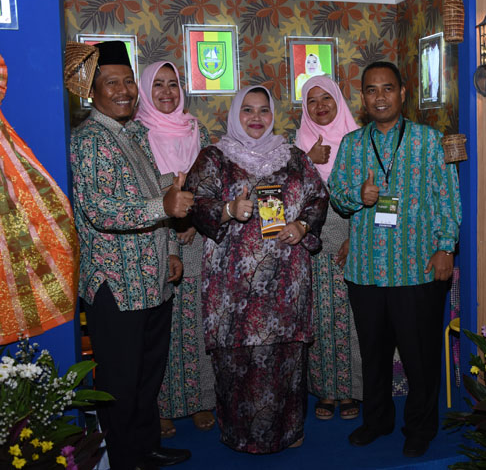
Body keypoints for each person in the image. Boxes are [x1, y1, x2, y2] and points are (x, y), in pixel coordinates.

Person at [327, 61, 462, 458]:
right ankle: (377, 420)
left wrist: (445, 247)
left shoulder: (428, 141)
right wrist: (359, 196)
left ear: (403, 93)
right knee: (373, 355)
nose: (380, 97)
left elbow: (447, 197)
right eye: (371, 90)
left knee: (420, 356)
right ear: (363, 97)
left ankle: (419, 427)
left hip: (416, 268)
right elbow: (337, 195)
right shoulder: (352, 144)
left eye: (388, 88)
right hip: (366, 270)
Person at [70, 41, 193, 470]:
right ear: (92, 91)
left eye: (127, 81)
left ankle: (146, 446)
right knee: (120, 379)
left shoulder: (136, 134)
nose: (123, 90)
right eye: (111, 83)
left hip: (153, 278)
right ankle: (124, 459)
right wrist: (163, 206)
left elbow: (160, 192)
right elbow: (99, 209)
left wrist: (172, 247)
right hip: (116, 284)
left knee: (148, 373)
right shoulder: (88, 140)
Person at [185, 85, 328, 453]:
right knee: (237, 360)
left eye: (264, 110)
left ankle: (288, 431)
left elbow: (317, 196)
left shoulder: (293, 157)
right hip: (233, 282)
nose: (256, 117)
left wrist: (303, 226)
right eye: (247, 109)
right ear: (235, 114)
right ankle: (241, 435)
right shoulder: (215, 157)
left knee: (286, 357)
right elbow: (195, 201)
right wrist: (228, 210)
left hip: (287, 278)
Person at [134, 61, 216, 438]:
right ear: (145, 90)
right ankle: (162, 405)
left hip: (195, 238)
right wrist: (172, 223)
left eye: (172, 84)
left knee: (197, 323)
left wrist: (194, 221)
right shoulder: (137, 134)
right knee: (160, 329)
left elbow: (208, 183)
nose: (166, 92)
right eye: (158, 85)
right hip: (155, 237)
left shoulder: (195, 128)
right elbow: (142, 192)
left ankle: (200, 400)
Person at [297, 75, 363, 421]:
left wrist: (357, 237)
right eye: (312, 100)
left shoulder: (359, 142)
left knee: (352, 318)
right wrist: (306, 161)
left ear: (339, 101)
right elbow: (283, 198)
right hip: (311, 247)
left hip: (352, 242)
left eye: (327, 98)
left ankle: (351, 389)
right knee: (319, 319)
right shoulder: (296, 148)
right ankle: (325, 389)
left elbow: (375, 195)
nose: (320, 106)